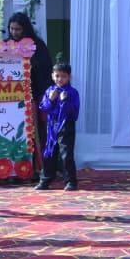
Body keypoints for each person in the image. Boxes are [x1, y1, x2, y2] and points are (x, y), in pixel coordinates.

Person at [6, 12, 52, 179]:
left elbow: (45, 71)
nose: (14, 32)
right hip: (12, 99)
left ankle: (40, 167)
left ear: (25, 29)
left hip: (35, 96)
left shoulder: (37, 45)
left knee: (37, 132)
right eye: (11, 29)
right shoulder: (6, 46)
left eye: (18, 29)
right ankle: (16, 168)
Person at [36, 57, 80, 191]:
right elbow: (43, 108)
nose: (60, 79)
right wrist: (50, 99)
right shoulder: (50, 90)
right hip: (52, 125)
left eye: (63, 76)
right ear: (52, 76)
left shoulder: (72, 92)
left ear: (69, 77)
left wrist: (64, 101)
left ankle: (71, 181)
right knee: (49, 152)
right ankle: (45, 180)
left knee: (66, 153)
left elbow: (74, 112)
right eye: (57, 76)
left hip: (66, 125)